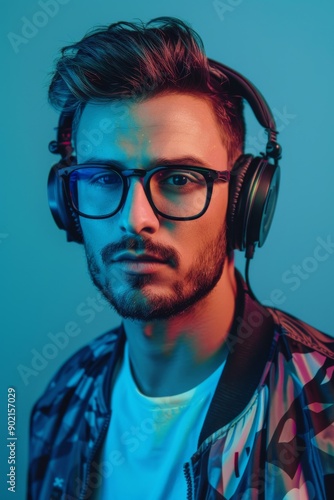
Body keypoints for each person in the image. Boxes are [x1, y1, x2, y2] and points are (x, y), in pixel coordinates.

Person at [28, 16, 334, 500]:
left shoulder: (325, 401)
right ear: (66, 205)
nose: (136, 219)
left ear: (244, 203)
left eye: (178, 178)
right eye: (103, 177)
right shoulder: (60, 402)